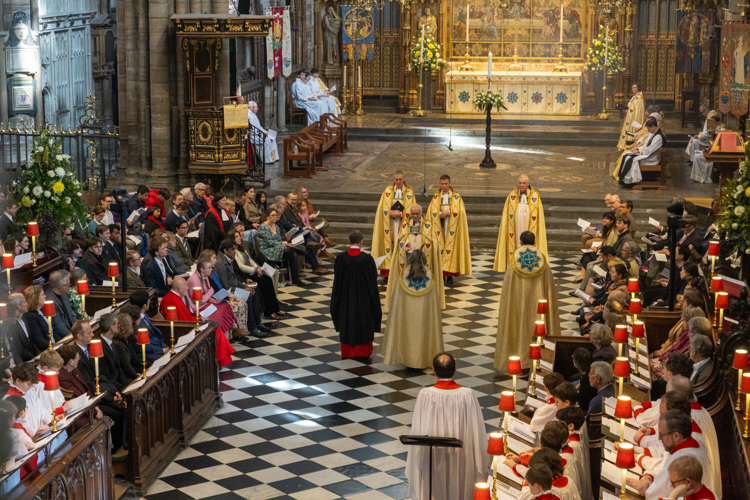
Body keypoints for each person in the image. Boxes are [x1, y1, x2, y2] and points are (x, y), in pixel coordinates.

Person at [405, 353, 488, 500]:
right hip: (462, 455)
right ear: (455, 370)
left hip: (433, 455)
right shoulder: (468, 395)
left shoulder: (425, 394)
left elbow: (418, 428)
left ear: (434, 371)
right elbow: (477, 431)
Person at [382, 206, 445, 368]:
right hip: (408, 271)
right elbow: (400, 242)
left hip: (425, 271)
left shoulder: (429, 226)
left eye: (417, 214)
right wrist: (406, 248)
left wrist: (424, 247)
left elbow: (435, 244)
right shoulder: (405, 226)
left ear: (422, 213)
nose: (415, 216)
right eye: (413, 214)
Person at [494, 231, 560, 371]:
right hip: (539, 306)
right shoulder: (541, 260)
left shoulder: (514, 260)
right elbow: (549, 286)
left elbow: (508, 287)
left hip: (518, 306)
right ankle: (540, 360)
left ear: (521, 242)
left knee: (518, 328)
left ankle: (520, 361)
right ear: (534, 242)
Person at [630, 410, 714, 499]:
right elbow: (663, 468)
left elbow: (657, 493)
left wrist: (648, 490)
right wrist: (648, 476)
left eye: (661, 435)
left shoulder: (685, 456)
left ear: (676, 436)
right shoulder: (680, 448)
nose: (659, 438)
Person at [160, 277, 237, 366]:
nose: (188, 288)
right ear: (180, 288)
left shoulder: (172, 296)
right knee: (216, 331)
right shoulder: (173, 300)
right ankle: (219, 361)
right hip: (184, 330)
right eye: (186, 286)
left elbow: (185, 316)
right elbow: (184, 321)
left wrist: (199, 319)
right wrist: (200, 320)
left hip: (186, 324)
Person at [330, 230, 382, 359]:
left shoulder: (341, 259)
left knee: (347, 323)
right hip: (363, 299)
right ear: (361, 242)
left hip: (345, 299)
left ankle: (348, 351)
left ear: (349, 241)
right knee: (363, 322)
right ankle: (363, 352)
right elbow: (372, 280)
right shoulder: (367, 259)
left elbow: (338, 279)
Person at [494, 175, 547, 272]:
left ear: (528, 184)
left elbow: (539, 215)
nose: (522, 185)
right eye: (520, 183)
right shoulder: (512, 195)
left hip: (529, 224)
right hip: (515, 226)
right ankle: (514, 267)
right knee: (516, 243)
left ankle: (530, 266)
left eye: (524, 183)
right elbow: (507, 213)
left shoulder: (535, 196)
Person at [426, 174, 472, 286]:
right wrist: (439, 214)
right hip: (440, 226)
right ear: (439, 184)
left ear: (450, 184)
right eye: (442, 184)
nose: (444, 186)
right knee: (440, 247)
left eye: (446, 184)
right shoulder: (436, 197)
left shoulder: (456, 196)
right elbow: (430, 212)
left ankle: (450, 275)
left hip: (452, 226)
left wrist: (449, 212)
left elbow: (460, 211)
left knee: (451, 248)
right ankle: (441, 274)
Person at [372, 171, 415, 279]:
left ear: (404, 179)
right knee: (389, 246)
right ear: (394, 179)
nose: (398, 182)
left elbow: (413, 210)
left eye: (400, 179)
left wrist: (400, 214)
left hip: (402, 224)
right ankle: (388, 272)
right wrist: (390, 213)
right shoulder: (387, 191)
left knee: (402, 245)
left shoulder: (409, 192)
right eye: (396, 179)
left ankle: (403, 272)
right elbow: (382, 209)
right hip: (390, 225)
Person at [616, 117, 666, 189]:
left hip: (652, 158)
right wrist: (637, 149)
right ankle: (624, 180)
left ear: (653, 127)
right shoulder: (653, 133)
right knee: (626, 155)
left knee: (631, 159)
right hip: (648, 154)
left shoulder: (658, 137)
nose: (648, 130)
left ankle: (631, 182)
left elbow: (650, 150)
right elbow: (646, 146)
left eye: (649, 128)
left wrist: (640, 152)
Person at [258, 207, 302, 286]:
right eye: (272, 215)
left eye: (276, 215)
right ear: (267, 216)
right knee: (287, 248)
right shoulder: (263, 227)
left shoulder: (276, 226)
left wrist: (282, 244)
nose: (275, 217)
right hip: (267, 250)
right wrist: (283, 244)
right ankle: (299, 250)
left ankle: (296, 280)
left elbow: (278, 240)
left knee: (293, 254)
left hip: (276, 248)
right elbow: (269, 243)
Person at [97, 313, 135, 390]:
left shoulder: (112, 342)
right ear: (112, 327)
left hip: (122, 380)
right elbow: (107, 376)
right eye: (117, 323)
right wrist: (125, 387)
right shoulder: (99, 347)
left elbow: (119, 369)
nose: (119, 325)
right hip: (114, 386)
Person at [129, 290, 169, 361]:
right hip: (150, 354)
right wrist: (162, 350)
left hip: (158, 347)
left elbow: (156, 336)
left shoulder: (145, 316)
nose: (149, 302)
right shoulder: (136, 323)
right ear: (144, 306)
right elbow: (144, 346)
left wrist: (165, 348)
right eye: (148, 301)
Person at [6, 293, 41, 363]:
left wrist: (40, 355)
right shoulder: (12, 325)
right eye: (25, 302)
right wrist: (35, 359)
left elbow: (31, 340)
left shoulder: (24, 319)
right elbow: (20, 350)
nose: (27, 304)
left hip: (34, 357)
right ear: (18, 306)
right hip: (26, 361)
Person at [617, 83, 645, 150]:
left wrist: (628, 112)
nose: (633, 89)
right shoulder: (634, 97)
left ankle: (630, 146)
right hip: (630, 117)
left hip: (634, 118)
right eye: (632, 88)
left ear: (638, 88)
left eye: (635, 87)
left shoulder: (640, 98)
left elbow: (638, 111)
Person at [48, 270, 76, 338]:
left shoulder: (63, 294)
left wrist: (78, 330)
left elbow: (71, 315)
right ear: (61, 287)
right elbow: (58, 326)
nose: (70, 285)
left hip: (72, 331)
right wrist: (72, 337)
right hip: (62, 337)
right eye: (68, 284)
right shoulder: (50, 302)